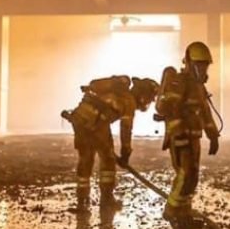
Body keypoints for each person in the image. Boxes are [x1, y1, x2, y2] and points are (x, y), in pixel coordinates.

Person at [61, 75, 160, 213]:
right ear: (143, 95)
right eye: (149, 99)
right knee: (108, 160)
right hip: (97, 123)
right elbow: (126, 130)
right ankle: (106, 200)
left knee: (85, 159)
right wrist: (125, 153)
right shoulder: (129, 101)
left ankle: (82, 202)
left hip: (80, 119)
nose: (147, 102)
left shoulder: (117, 92)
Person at [155, 41, 220, 224]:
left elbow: (205, 113)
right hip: (181, 138)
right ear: (190, 63)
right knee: (185, 175)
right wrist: (179, 135)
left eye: (205, 65)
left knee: (192, 176)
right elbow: (172, 110)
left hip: (194, 137)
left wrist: (213, 135)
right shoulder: (179, 82)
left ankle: (184, 213)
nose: (203, 68)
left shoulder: (198, 87)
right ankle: (172, 211)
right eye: (199, 64)